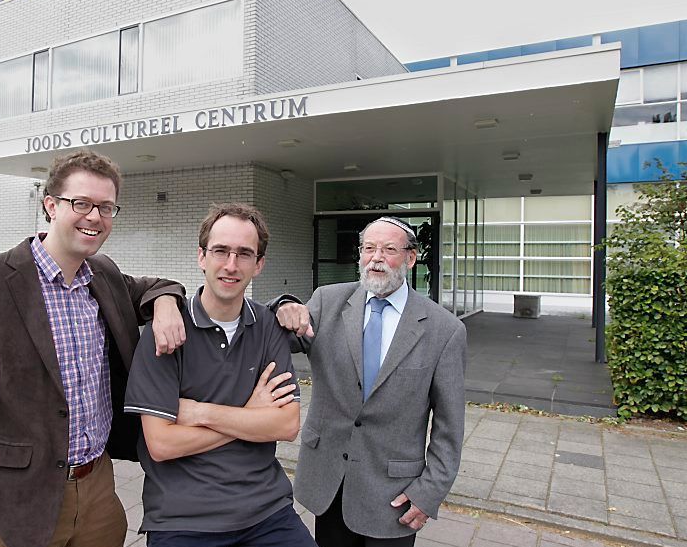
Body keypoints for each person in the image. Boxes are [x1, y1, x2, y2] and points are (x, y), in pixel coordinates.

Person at [0, 149, 187, 547]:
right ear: (50, 205)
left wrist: (166, 303)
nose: (95, 217)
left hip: (98, 487)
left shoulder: (105, 276)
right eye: (80, 203)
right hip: (16, 501)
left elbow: (157, 286)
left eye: (106, 207)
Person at [124, 203, 316, 547]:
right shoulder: (166, 331)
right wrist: (250, 417)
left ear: (259, 264)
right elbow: (162, 444)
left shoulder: (269, 326)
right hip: (183, 519)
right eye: (221, 251)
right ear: (201, 256)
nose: (231, 265)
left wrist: (200, 412)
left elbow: (285, 426)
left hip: (267, 513)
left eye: (244, 254)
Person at [274, 216, 466, 547]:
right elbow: (270, 336)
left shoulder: (443, 330)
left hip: (394, 495)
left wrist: (429, 492)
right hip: (330, 483)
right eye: (368, 248)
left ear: (410, 257)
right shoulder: (327, 301)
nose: (376, 258)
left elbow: (450, 428)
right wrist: (282, 306)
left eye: (389, 249)